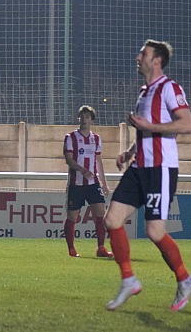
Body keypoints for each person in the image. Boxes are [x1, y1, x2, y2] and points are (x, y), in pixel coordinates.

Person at [104, 39, 191, 311]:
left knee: (155, 231)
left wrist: (150, 126)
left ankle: (184, 280)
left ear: (157, 61)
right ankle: (128, 279)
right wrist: (130, 152)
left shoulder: (169, 88)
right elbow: (146, 129)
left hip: (160, 169)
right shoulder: (144, 91)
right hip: (139, 167)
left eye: (144, 53)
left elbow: (186, 123)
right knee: (112, 220)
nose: (138, 56)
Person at [62, 105, 112, 258]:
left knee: (100, 211)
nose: (84, 119)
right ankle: (71, 248)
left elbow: (98, 160)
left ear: (92, 120)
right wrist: (82, 170)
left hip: (93, 183)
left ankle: (101, 248)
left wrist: (103, 183)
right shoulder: (70, 137)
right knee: (73, 216)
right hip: (76, 184)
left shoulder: (96, 138)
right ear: (79, 118)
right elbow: (69, 160)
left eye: (87, 117)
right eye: (82, 116)